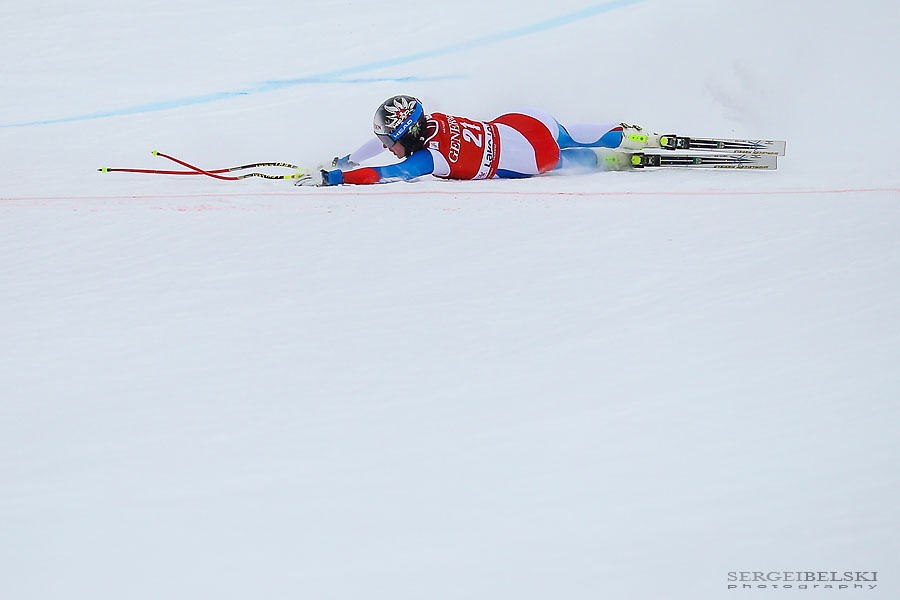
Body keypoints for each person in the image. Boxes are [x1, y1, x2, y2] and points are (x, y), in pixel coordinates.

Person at [296, 94, 664, 186]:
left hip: (531, 158)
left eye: (390, 141)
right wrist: (348, 159)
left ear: (407, 136)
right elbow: (385, 144)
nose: (387, 147)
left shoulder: (428, 159)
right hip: (525, 122)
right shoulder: (432, 120)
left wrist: (337, 178)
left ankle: (612, 161)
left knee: (560, 161)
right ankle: (631, 136)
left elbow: (388, 174)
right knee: (565, 133)